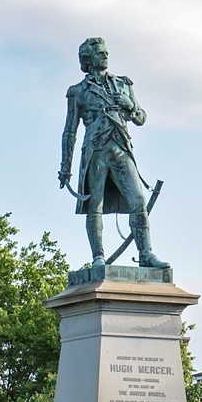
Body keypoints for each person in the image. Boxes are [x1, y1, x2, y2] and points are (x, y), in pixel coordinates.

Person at [59, 36, 170, 277]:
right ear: (88, 60)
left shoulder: (123, 85)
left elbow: (141, 118)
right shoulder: (77, 92)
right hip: (95, 152)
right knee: (94, 205)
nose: (105, 56)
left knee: (139, 200)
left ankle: (145, 254)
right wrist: (65, 167)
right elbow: (70, 131)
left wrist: (130, 105)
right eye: (99, 53)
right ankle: (98, 256)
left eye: (106, 52)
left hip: (121, 148)